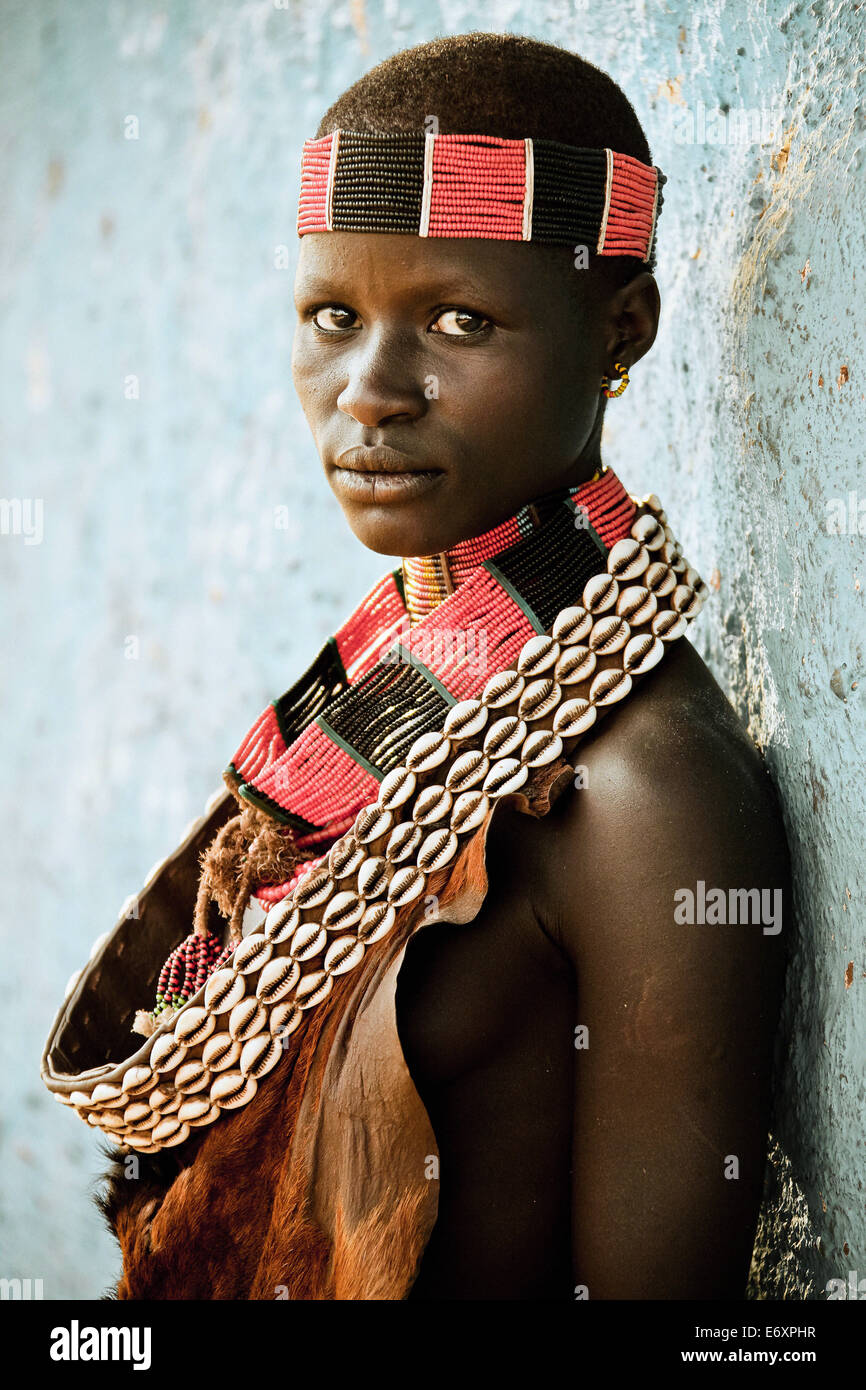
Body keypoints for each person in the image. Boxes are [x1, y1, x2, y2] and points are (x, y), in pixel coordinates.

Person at [41, 32, 790, 1301]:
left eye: (457, 319)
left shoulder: (645, 796)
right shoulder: (380, 701)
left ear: (622, 328)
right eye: (332, 317)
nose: (370, 391)